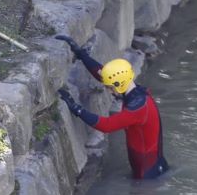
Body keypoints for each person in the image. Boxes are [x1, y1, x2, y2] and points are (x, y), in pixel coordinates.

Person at [54, 35, 169, 180]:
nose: (108, 90)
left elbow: (106, 125)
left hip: (147, 174)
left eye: (109, 87)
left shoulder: (138, 108)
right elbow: (102, 74)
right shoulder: (134, 90)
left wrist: (75, 108)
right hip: (150, 164)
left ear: (118, 84)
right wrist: (81, 54)